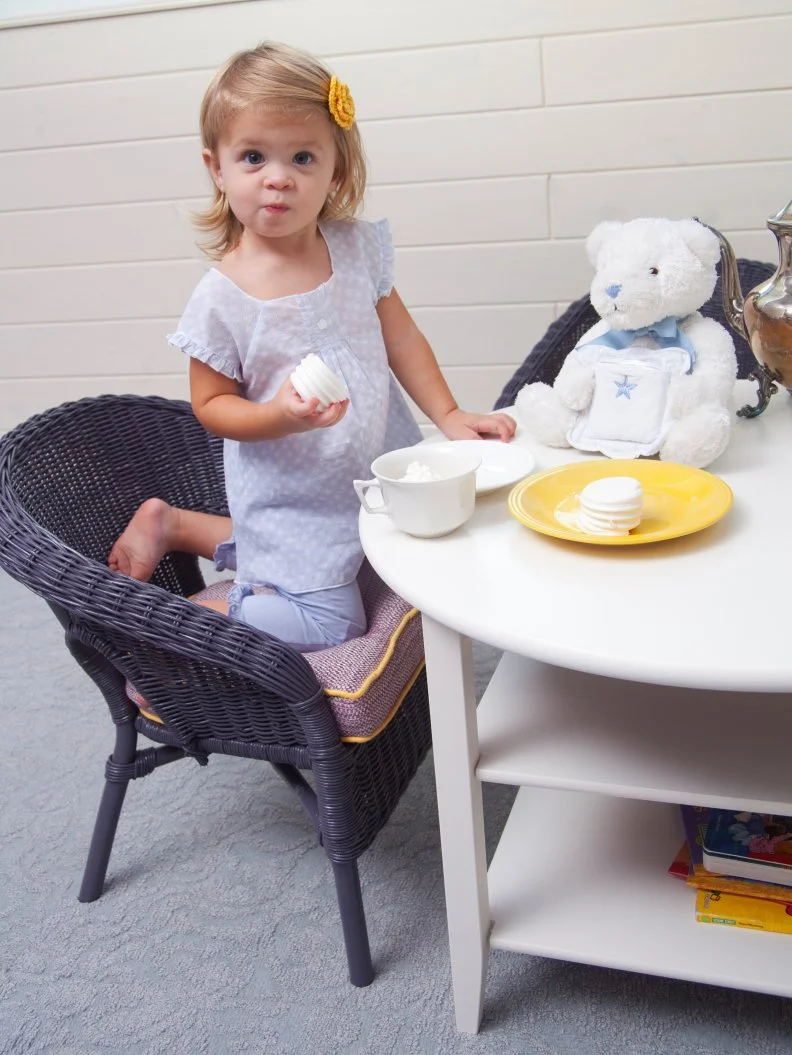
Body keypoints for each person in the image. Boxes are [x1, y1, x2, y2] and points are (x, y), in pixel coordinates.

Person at [108, 41, 516, 651]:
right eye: (253, 157)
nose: (278, 177)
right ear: (217, 169)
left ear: (336, 171)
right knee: (334, 623)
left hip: (371, 458)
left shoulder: (355, 248)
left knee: (431, 553)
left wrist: (449, 413)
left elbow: (401, 337)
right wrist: (280, 414)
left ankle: (181, 526)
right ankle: (187, 631)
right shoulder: (221, 298)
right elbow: (211, 406)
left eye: (302, 157)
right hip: (293, 498)